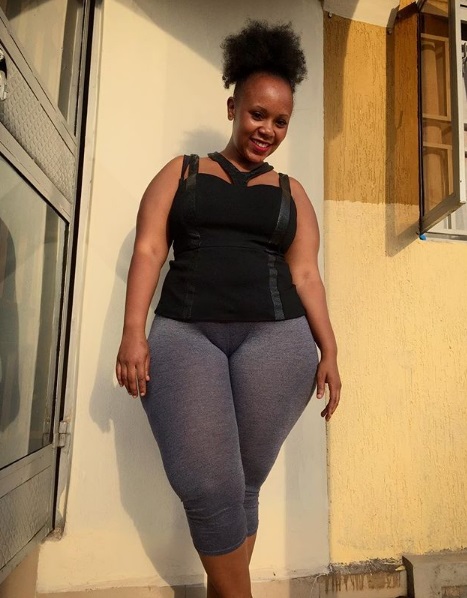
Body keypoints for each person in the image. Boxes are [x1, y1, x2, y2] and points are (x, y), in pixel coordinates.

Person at [116, 19, 341, 598]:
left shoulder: (291, 192)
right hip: (184, 335)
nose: (268, 129)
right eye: (257, 114)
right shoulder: (181, 173)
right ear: (233, 106)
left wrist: (331, 350)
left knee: (242, 486)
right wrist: (133, 332)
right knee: (208, 486)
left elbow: (307, 274)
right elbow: (149, 250)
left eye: (280, 121)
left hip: (278, 341)